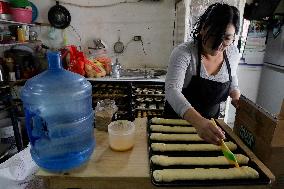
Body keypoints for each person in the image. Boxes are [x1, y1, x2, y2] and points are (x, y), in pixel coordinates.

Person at [164, 3, 241, 145]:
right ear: (203, 29)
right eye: (214, 35)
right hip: (177, 126)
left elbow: (232, 78)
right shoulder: (184, 53)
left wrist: (237, 98)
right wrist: (199, 122)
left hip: (211, 129)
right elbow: (172, 90)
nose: (219, 44)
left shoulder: (233, 53)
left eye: (227, 38)